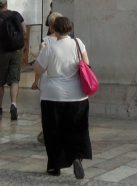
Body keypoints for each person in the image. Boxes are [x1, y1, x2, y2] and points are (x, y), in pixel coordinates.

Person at [32, 16, 92, 178]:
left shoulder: (50, 48)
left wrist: (41, 51)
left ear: (54, 29)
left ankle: (55, 166)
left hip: (53, 95)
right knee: (77, 129)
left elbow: (38, 69)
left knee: (53, 131)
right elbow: (86, 64)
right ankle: (76, 157)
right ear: (70, 28)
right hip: (77, 95)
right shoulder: (78, 43)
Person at [0, 0, 26, 120]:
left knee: (0, 81)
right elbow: (24, 30)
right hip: (16, 51)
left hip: (3, 52)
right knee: (14, 80)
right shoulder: (16, 15)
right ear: (6, 4)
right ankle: (13, 104)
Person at [35, 11, 62, 144]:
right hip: (61, 77)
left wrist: (35, 80)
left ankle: (46, 132)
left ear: (51, 26)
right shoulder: (70, 41)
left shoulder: (45, 41)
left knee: (45, 107)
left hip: (46, 77)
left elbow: (39, 65)